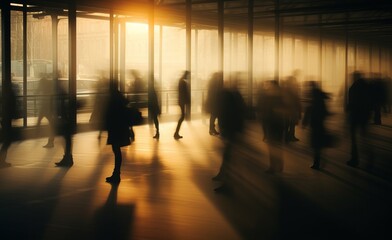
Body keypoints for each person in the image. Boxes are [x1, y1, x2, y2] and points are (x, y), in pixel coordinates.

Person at [213, 80, 246, 192]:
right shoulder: (235, 96)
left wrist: (224, 130)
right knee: (228, 156)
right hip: (233, 131)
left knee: (228, 156)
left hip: (231, 131)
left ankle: (227, 183)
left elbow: (227, 116)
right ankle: (224, 176)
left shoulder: (229, 97)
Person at [104, 87, 131, 184]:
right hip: (121, 128)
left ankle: (116, 174)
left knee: (116, 150)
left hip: (115, 128)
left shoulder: (113, 101)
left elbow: (110, 115)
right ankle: (116, 173)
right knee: (117, 151)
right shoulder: (120, 100)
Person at [346, 71, 372, 168]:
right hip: (364, 115)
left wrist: (348, 109)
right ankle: (369, 157)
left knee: (354, 138)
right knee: (364, 137)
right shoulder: (366, 86)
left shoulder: (354, 87)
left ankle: (354, 159)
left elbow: (352, 102)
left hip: (355, 115)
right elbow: (370, 101)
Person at [302, 81, 330, 170]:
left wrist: (305, 123)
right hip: (320, 124)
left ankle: (316, 163)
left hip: (314, 124)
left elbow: (309, 111)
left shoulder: (313, 99)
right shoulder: (320, 99)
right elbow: (325, 112)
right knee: (319, 143)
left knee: (315, 144)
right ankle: (319, 160)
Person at [174, 71, 190, 139]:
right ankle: (176, 132)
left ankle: (176, 132)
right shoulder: (183, 82)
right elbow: (185, 93)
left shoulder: (181, 81)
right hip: (182, 101)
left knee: (182, 116)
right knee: (182, 116)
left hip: (181, 101)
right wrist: (188, 101)